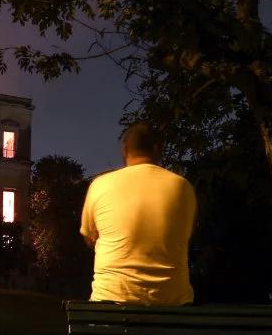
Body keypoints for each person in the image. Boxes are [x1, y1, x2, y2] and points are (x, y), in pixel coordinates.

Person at [79, 122, 196, 305]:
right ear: (157, 150)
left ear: (124, 151)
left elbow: (89, 238)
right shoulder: (183, 187)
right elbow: (183, 237)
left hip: (111, 303)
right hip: (172, 306)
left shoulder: (100, 185)